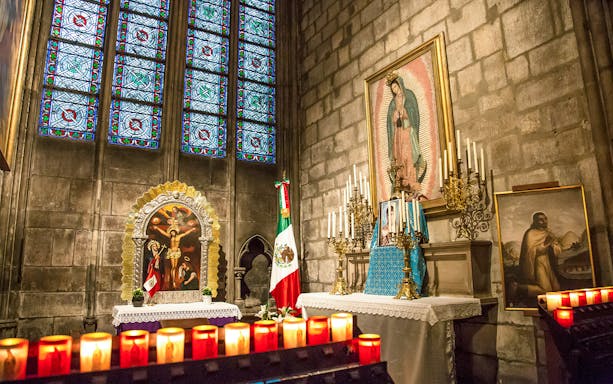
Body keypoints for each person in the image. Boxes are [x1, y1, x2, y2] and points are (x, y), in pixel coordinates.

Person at [386, 73, 426, 191]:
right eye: (392, 89)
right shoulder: (393, 103)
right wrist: (395, 115)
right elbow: (390, 121)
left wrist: (404, 113)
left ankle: (411, 180)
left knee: (407, 154)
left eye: (396, 87)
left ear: (400, 85)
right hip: (398, 133)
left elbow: (413, 115)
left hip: (407, 130)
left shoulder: (408, 96)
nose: (395, 90)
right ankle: (401, 180)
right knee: (399, 155)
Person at [518, 212, 561, 299]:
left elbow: (558, 250)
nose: (544, 221)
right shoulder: (531, 233)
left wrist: (553, 246)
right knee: (546, 290)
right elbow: (531, 252)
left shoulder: (548, 233)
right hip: (537, 262)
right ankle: (518, 288)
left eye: (545, 219)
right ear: (535, 222)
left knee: (557, 289)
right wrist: (545, 244)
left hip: (548, 263)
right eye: (541, 220)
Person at [152, 223, 197, 289]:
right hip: (172, 252)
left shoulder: (179, 237)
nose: (172, 233)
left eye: (173, 231)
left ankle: (174, 280)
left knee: (175, 267)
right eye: (171, 232)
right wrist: (157, 228)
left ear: (175, 232)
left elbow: (185, 233)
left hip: (177, 252)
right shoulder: (169, 236)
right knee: (173, 267)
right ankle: (173, 281)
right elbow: (163, 233)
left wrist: (192, 229)